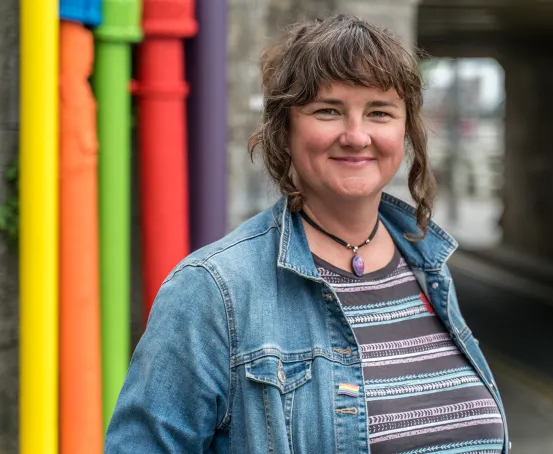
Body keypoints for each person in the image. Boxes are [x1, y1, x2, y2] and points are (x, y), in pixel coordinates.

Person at [105, 15, 509, 454]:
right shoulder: (213, 291)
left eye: (379, 112)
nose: (356, 136)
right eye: (328, 111)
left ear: (405, 129)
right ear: (285, 130)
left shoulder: (426, 268)